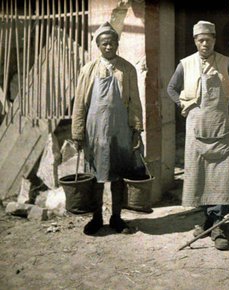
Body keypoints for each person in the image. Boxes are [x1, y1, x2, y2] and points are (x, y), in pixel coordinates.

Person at [167, 20, 229, 251]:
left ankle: (219, 226)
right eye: (200, 40)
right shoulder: (186, 64)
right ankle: (208, 220)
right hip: (196, 129)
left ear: (214, 40)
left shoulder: (225, 63)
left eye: (209, 39)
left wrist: (228, 105)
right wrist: (185, 106)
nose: (205, 44)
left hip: (220, 129)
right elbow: (171, 89)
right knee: (201, 177)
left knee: (220, 179)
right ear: (195, 41)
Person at [71, 22, 143, 235]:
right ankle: (96, 218)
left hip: (120, 132)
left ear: (117, 44)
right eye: (104, 43)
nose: (109, 47)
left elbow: (135, 101)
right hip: (95, 132)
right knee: (96, 176)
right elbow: (79, 105)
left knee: (118, 175)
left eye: (112, 43)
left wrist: (136, 129)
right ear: (98, 46)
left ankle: (117, 218)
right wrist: (77, 133)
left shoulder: (127, 69)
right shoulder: (88, 70)